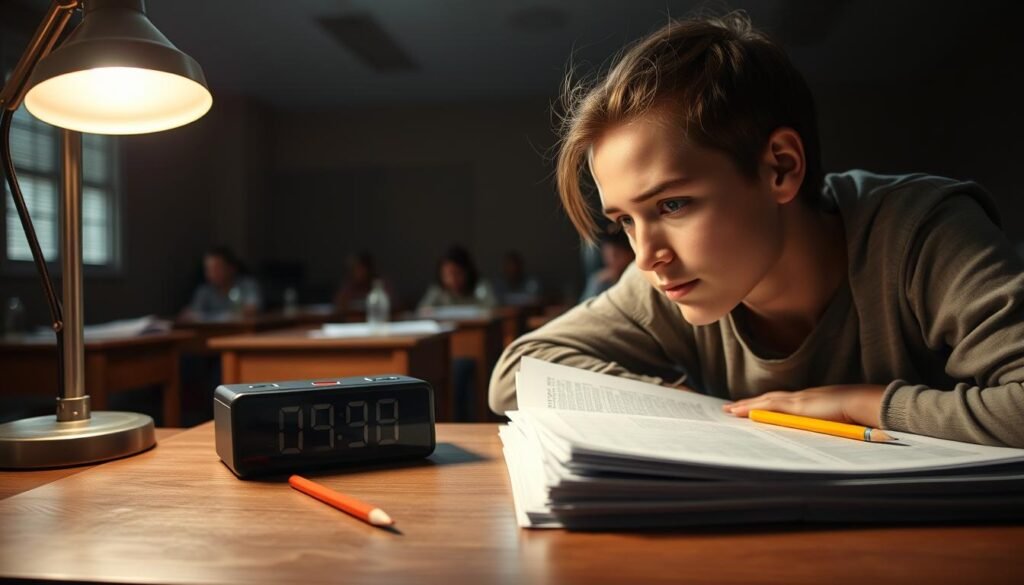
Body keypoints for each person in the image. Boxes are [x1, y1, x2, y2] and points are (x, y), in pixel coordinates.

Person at [488, 13, 1024, 447]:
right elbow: (517, 372)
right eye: (626, 220)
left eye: (673, 204)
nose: (647, 256)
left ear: (781, 168)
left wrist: (856, 405)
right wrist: (694, 413)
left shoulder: (923, 232)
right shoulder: (667, 287)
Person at [180, 247, 262, 320]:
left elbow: (251, 310)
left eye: (217, 269)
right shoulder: (204, 291)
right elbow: (191, 315)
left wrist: (206, 316)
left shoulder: (247, 285)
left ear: (231, 268)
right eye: (209, 270)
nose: (212, 274)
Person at [418, 245, 498, 313]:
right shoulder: (438, 289)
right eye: (447, 275)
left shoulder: (480, 286)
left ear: (468, 272)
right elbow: (423, 310)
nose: (453, 279)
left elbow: (492, 308)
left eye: (458, 273)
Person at [578, 230, 635, 302]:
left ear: (630, 254)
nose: (611, 260)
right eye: (607, 255)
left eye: (616, 255)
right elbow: (584, 305)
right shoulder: (600, 280)